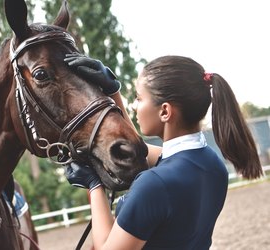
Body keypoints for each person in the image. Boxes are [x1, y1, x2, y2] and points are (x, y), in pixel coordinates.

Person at [63, 53, 263, 250]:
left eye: (139, 99)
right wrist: (113, 91)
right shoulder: (211, 163)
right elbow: (137, 148)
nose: (135, 107)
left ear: (165, 111)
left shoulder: (153, 185)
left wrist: (94, 186)